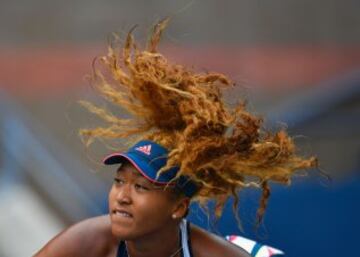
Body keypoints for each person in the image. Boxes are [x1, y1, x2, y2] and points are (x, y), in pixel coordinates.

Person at [34, 18, 319, 257]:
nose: (122, 196)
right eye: (119, 181)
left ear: (178, 207)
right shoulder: (88, 242)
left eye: (141, 187)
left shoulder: (213, 254)